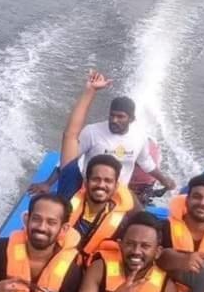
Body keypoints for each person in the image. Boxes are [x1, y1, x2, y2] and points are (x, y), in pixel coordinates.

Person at [30, 69, 176, 200]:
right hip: (89, 190)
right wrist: (47, 183)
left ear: (131, 119)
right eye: (112, 115)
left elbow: (147, 163)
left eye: (120, 117)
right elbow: (68, 161)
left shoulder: (140, 138)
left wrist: (164, 180)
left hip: (117, 196)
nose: (114, 120)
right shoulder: (92, 132)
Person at [157, 173, 204, 291]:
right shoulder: (161, 230)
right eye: (197, 197)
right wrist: (180, 260)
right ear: (187, 199)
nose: (202, 203)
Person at [67, 153, 137, 266]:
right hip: (63, 264)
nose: (101, 185)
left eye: (108, 181)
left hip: (91, 270)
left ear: (115, 187)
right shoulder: (66, 206)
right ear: (86, 182)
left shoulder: (123, 224)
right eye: (96, 179)